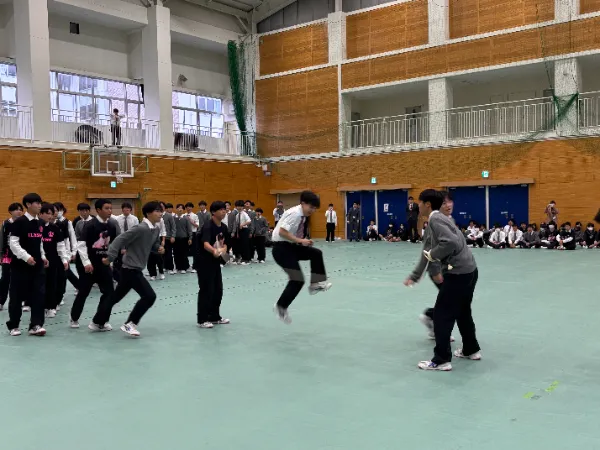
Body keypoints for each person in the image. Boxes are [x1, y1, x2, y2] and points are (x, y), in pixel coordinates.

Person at [419, 189, 480, 371]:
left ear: (427, 204)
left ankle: (441, 360)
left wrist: (433, 255)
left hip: (458, 273)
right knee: (463, 311)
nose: (418, 206)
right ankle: (471, 349)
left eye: (420, 203)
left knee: (441, 315)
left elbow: (450, 242)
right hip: (470, 269)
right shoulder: (445, 218)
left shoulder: (435, 219)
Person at [93, 201, 164, 337]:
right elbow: (119, 240)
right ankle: (130, 323)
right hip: (131, 269)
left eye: (161, 211)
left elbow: (153, 244)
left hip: (133, 269)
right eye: (157, 211)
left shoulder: (155, 229)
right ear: (148, 213)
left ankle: (97, 321)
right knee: (149, 296)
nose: (160, 213)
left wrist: (158, 248)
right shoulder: (140, 228)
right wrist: (110, 258)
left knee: (114, 297)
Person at [271, 191, 331, 324]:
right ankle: (280, 306)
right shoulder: (295, 214)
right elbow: (282, 232)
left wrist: (302, 241)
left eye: (315, 208)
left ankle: (315, 284)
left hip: (291, 247)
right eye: (311, 207)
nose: (313, 210)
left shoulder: (302, 215)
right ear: (303, 203)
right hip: (281, 249)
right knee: (297, 280)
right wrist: (300, 240)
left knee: (316, 253)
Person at [405, 191, 455, 343]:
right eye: (444, 203)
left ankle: (432, 320)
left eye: (450, 202)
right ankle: (432, 319)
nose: (448, 205)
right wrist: (419, 275)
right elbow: (427, 252)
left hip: (452, 270)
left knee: (450, 301)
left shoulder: (449, 221)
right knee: (451, 300)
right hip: (439, 271)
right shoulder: (433, 225)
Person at [70, 199, 118, 331]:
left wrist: (110, 261)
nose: (110, 211)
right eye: (107, 208)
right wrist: (86, 263)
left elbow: (112, 245)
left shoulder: (112, 225)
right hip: (89, 265)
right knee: (83, 292)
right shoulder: (90, 225)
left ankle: (100, 321)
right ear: (98, 210)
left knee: (109, 293)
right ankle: (74, 317)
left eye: (110, 208)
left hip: (103, 265)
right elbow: (81, 245)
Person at [6, 193, 48, 336]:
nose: (40, 205)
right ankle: (14, 325)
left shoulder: (40, 223)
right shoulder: (19, 222)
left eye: (40, 203)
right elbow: (13, 243)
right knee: (17, 296)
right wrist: (26, 257)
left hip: (37, 266)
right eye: (37, 203)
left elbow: (39, 242)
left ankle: (35, 325)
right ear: (28, 205)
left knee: (39, 295)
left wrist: (43, 256)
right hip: (20, 266)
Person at [195, 201, 231, 329]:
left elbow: (226, 243)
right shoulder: (208, 226)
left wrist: (224, 249)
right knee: (206, 290)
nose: (224, 211)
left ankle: (214, 317)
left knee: (217, 290)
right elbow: (205, 244)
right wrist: (214, 251)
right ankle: (202, 319)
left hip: (215, 263)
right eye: (221, 209)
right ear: (213, 212)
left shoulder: (224, 227)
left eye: (224, 209)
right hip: (203, 262)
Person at [40, 203, 69, 318]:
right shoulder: (35, 227)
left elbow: (61, 245)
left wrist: (64, 259)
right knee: (39, 284)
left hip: (53, 260)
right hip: (38, 261)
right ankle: (38, 305)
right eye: (47, 213)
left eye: (51, 214)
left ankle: (51, 307)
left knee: (52, 283)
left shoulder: (55, 228)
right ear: (40, 214)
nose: (50, 216)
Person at [0, 202, 23, 311]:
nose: (19, 211)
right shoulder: (5, 223)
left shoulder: (23, 223)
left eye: (20, 209)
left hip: (20, 255)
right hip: (7, 255)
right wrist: (1, 254)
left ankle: (22, 299)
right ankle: (1, 301)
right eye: (16, 209)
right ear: (10, 211)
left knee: (20, 278)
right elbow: (2, 239)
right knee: (5, 278)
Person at [174, 204, 193, 273]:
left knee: (184, 253)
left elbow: (189, 229)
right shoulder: (173, 218)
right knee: (176, 253)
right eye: (178, 208)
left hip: (184, 238)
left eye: (181, 208)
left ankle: (184, 267)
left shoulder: (186, 218)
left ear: (183, 210)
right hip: (175, 238)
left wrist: (190, 238)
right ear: (176, 209)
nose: (180, 209)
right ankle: (177, 267)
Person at [162, 202, 176, 273]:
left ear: (165, 208)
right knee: (161, 253)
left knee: (169, 253)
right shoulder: (156, 215)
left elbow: (173, 226)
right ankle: (164, 266)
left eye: (162, 206)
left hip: (168, 237)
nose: (161, 208)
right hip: (159, 237)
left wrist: (173, 236)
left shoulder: (169, 215)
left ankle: (170, 268)